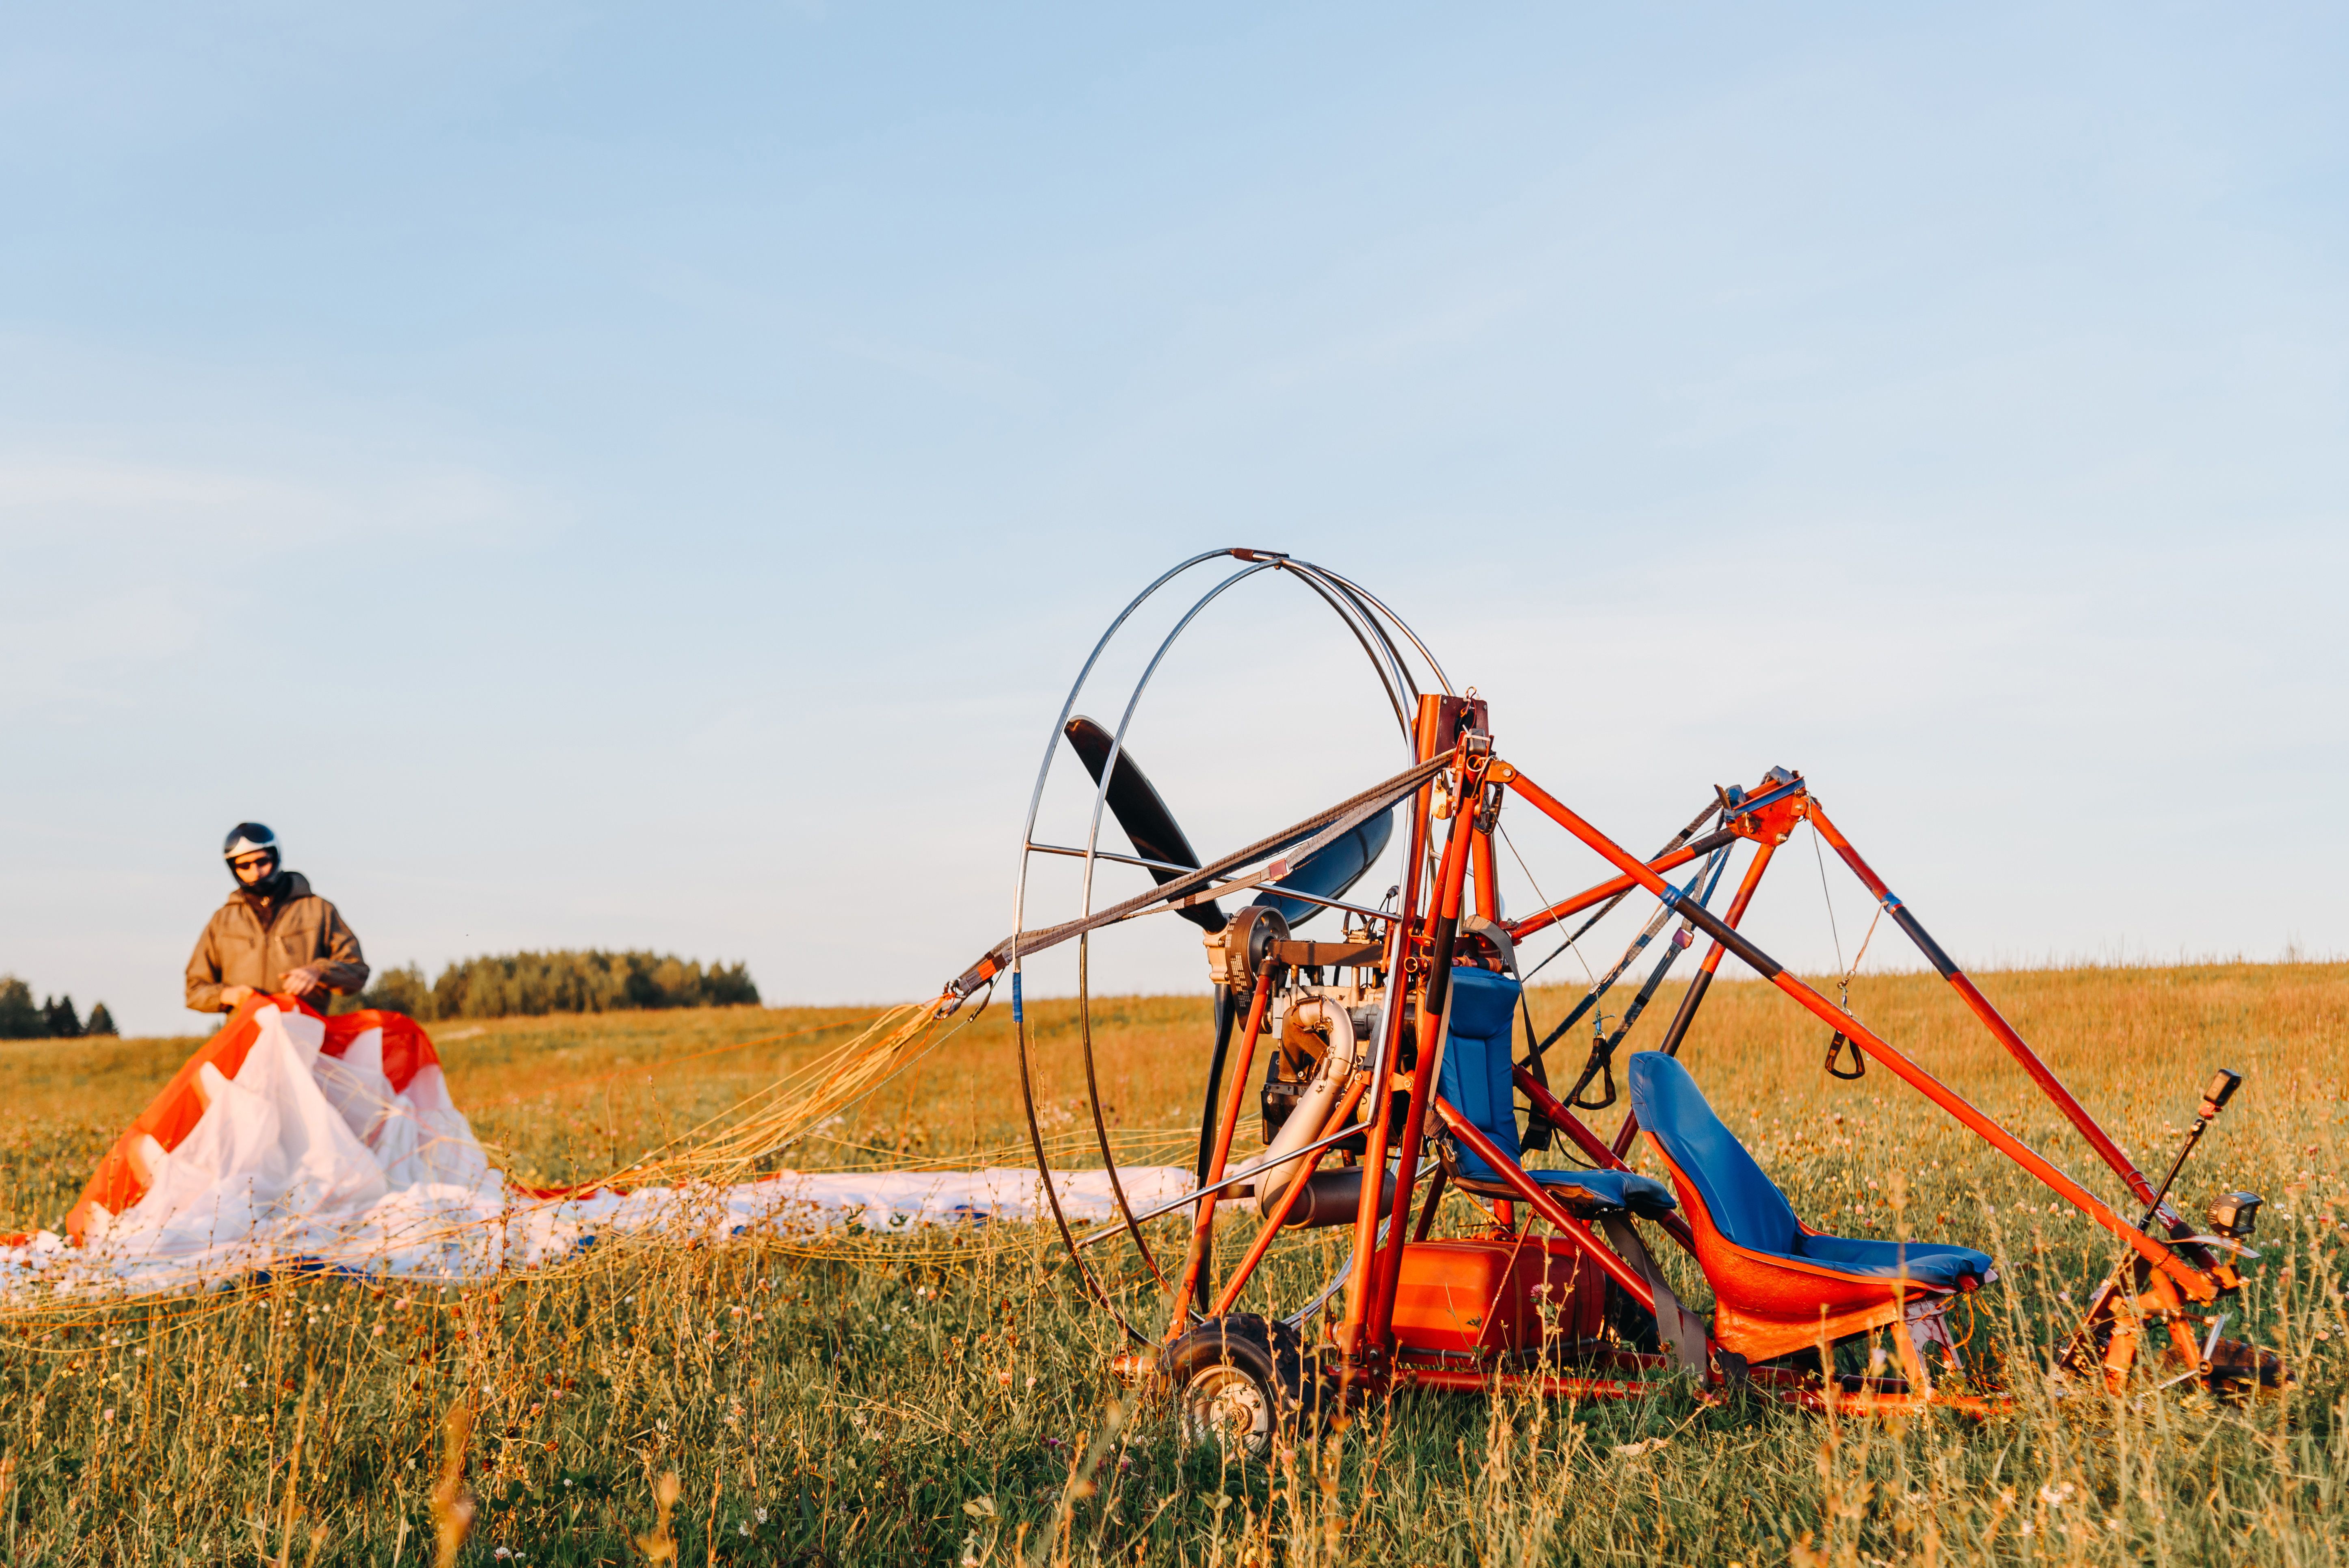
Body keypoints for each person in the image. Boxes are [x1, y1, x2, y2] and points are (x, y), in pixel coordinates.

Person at [185, 823, 371, 1014]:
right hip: (247, 1030)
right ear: (234, 869)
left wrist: (318, 972)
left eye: (262, 862)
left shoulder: (318, 910)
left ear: (276, 857)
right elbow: (194, 990)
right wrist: (228, 995)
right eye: (244, 866)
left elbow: (357, 971)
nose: (255, 872)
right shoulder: (222, 921)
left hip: (305, 1027)